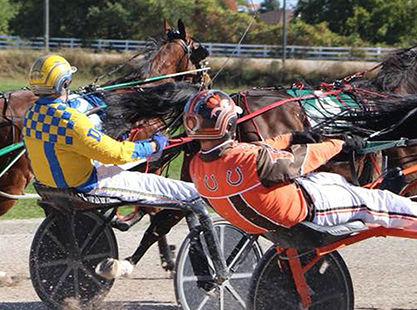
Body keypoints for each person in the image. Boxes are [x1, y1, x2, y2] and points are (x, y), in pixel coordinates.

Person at [24, 55, 225, 281]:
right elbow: (113, 153)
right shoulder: (71, 121)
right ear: (65, 83)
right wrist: (150, 145)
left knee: (141, 157)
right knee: (190, 194)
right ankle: (213, 274)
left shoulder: (32, 114)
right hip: (89, 184)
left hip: (55, 181)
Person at [183, 89, 417, 234]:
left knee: (330, 178)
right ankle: (385, 200)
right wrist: (341, 145)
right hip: (306, 211)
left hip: (263, 217)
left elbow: (258, 151)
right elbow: (301, 160)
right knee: (380, 200)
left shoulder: (197, 165)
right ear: (229, 124)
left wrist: (292, 137)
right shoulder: (250, 160)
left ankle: (364, 191)